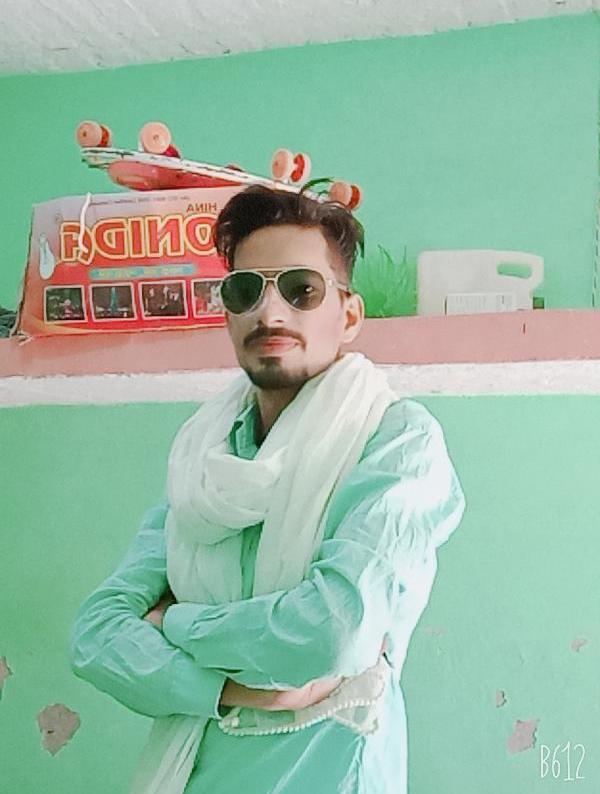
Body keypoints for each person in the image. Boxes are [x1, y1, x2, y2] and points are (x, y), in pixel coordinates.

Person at [69, 185, 466, 794]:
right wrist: (230, 689)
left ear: (349, 315)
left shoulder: (396, 441)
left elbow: (334, 629)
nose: (270, 312)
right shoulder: (206, 460)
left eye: (301, 290)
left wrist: (177, 622)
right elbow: (96, 635)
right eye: (245, 290)